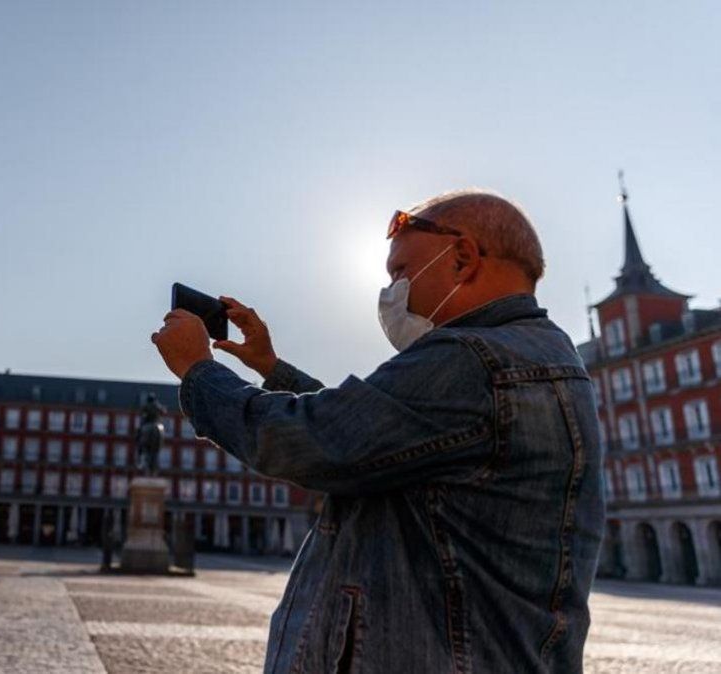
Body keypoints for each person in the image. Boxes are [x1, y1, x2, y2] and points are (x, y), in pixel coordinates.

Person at [151, 190, 604, 673]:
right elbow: (380, 439)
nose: (392, 290)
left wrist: (199, 371)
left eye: (400, 272)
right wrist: (271, 368)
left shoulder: (472, 359)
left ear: (463, 259)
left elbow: (315, 442)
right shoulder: (532, 355)